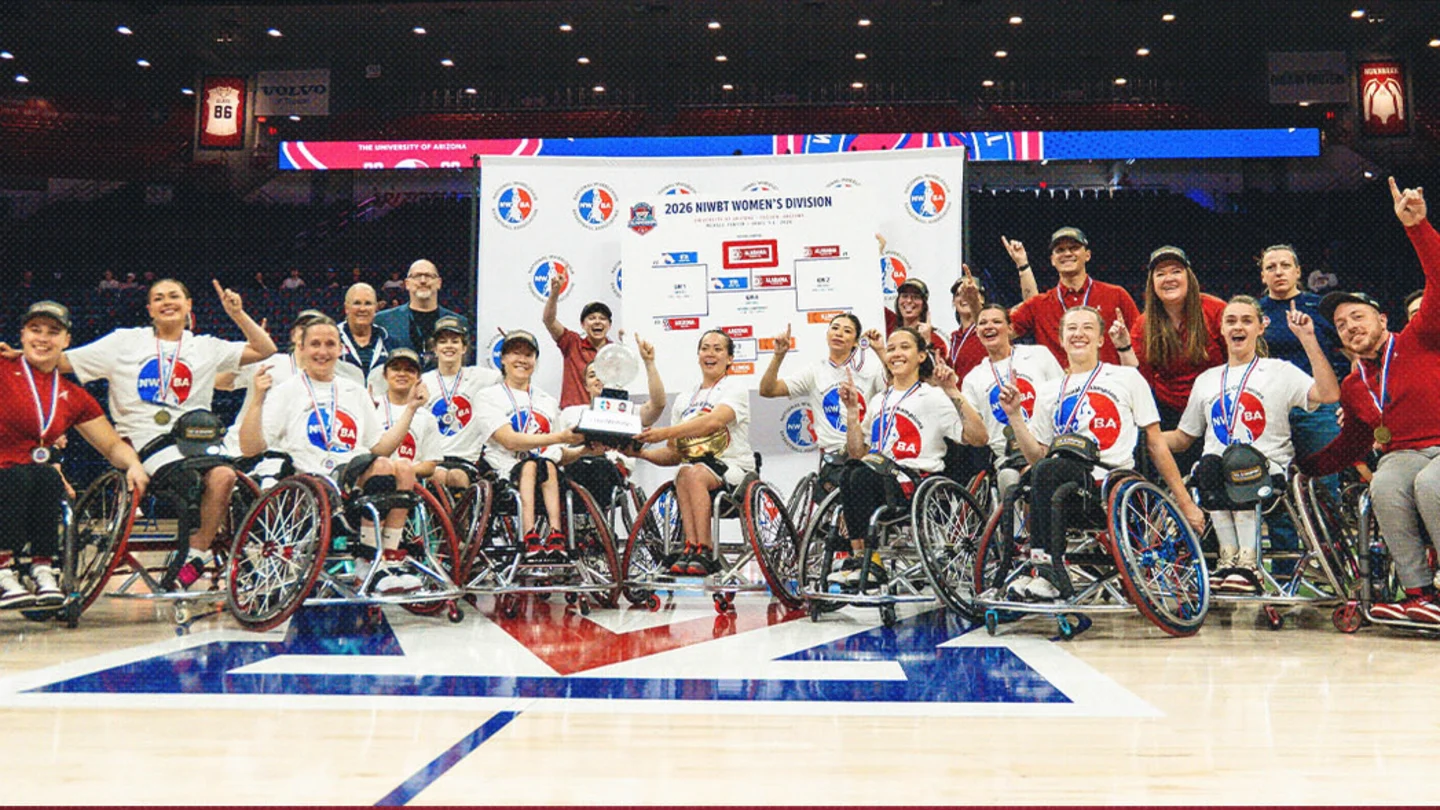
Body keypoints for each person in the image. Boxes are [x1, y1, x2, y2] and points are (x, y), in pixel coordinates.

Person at [60, 278, 276, 589]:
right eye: (158, 298)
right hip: (143, 443)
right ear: (149, 309)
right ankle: (192, 547)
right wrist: (18, 355)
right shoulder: (124, 342)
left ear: (189, 305)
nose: (167, 302)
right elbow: (65, 361)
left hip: (195, 442)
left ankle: (196, 553)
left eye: (174, 296)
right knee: (191, 479)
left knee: (226, 477)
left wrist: (237, 314)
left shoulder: (204, 346)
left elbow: (264, 348)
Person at [1299, 177, 1440, 624]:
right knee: (1384, 483)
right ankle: (1418, 593)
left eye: (1357, 316)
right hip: (1402, 454)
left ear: (1382, 319)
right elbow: (1354, 443)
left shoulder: (1421, 338)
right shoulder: (1355, 386)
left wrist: (1417, 227)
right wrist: (1307, 466)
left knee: (1430, 485)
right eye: (1341, 324)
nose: (1350, 326)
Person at [1000, 306, 1204, 601]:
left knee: (1048, 472)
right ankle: (1037, 569)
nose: (1078, 333)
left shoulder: (1127, 378)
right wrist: (1016, 417)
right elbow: (1038, 458)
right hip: (1062, 482)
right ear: (1060, 338)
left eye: (1087, 328)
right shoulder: (1048, 391)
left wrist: (1185, 502)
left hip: (1110, 485)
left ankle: (1048, 574)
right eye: (1071, 328)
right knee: (1032, 474)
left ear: (1099, 339)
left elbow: (1157, 444)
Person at [238, 316, 429, 594]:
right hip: (312, 484)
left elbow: (379, 446)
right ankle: (368, 563)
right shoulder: (285, 391)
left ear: (340, 350)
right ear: (300, 348)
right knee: (384, 466)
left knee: (405, 469)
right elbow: (250, 448)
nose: (323, 351)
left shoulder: (355, 391)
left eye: (330, 344)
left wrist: (410, 409)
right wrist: (257, 398)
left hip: (353, 477)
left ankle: (387, 559)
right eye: (315, 344)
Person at [1164, 296, 1339, 593]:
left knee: (1238, 463)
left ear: (1261, 326)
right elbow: (1183, 438)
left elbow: (1328, 393)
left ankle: (1250, 564)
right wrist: (1144, 434)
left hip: (1265, 471)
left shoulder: (1280, 371)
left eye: (1247, 320)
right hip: (1215, 473)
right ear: (1220, 329)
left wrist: (1308, 340)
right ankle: (1229, 559)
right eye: (1231, 321)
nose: (1238, 326)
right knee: (1207, 465)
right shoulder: (1207, 379)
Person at [0, 302, 148, 609]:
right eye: (34, 330)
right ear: (22, 335)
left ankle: (43, 568)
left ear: (67, 341)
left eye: (53, 332)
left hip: (32, 474)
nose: (43, 338)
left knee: (45, 477)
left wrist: (134, 464)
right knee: (19, 477)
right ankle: (2, 569)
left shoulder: (72, 394)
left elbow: (110, 445)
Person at [832, 327, 987, 587]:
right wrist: (850, 413)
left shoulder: (934, 396)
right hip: (875, 476)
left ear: (921, 356)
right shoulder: (878, 400)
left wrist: (952, 391)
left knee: (858, 473)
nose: (896, 353)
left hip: (915, 482)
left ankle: (870, 563)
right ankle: (863, 559)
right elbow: (858, 453)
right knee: (850, 469)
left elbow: (978, 438)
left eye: (904, 347)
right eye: (891, 348)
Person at [631, 330, 756, 576]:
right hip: (695, 473)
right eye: (705, 348)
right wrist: (641, 453)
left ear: (730, 359)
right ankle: (691, 547)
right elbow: (674, 454)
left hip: (733, 468)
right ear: (698, 355)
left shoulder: (735, 388)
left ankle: (706, 549)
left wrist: (665, 431)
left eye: (718, 349)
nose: (710, 353)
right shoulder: (684, 399)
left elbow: (713, 422)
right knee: (684, 471)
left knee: (695, 472)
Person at [1120, 246, 1226, 476]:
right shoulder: (1143, 324)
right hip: (1172, 411)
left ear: (1189, 276)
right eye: (1160, 273)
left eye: (1175, 271)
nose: (1169, 279)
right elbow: (1141, 380)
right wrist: (1122, 347)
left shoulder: (1216, 310)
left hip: (1219, 406)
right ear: (1152, 283)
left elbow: (1237, 360)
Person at [471, 330, 576, 563]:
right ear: (503, 360)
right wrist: (558, 437)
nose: (522, 359)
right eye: (515, 353)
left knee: (545, 464)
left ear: (535, 361)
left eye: (528, 355)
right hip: (505, 471)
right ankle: (529, 535)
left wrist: (585, 448)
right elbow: (509, 440)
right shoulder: (488, 396)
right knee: (530, 465)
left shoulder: (547, 401)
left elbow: (557, 451)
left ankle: (556, 534)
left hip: (546, 473)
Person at [1256, 243, 1349, 499]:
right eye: (1271, 267)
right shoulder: (1254, 312)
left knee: (1324, 486)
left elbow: (1355, 353)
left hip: (1318, 406)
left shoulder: (1320, 307)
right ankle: (1283, 540)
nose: (1278, 272)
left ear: (1298, 271)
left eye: (1285, 266)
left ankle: (1330, 539)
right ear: (1263, 275)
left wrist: (1351, 400)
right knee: (1274, 489)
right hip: (1271, 409)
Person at [759, 313, 887, 498]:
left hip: (866, 452)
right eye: (835, 328)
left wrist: (881, 351)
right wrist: (779, 356)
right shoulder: (814, 371)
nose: (839, 333)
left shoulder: (870, 370)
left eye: (847, 331)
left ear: (856, 342)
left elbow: (895, 386)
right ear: (827, 334)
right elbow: (768, 390)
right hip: (834, 456)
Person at [960, 303, 1064, 500]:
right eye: (982, 323)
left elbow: (1061, 398)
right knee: (1009, 478)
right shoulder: (973, 378)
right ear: (977, 332)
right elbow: (975, 431)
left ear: (1010, 328)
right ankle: (1017, 531)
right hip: (1007, 456)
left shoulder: (1039, 355)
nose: (989, 326)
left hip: (1048, 448)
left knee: (1035, 475)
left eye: (996, 321)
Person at [557, 337, 668, 510]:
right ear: (586, 385)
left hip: (610, 470)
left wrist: (649, 363)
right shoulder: (570, 413)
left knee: (597, 467)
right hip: (575, 466)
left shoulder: (628, 410)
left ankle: (598, 530)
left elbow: (658, 405)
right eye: (593, 375)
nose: (600, 378)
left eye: (605, 372)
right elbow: (557, 448)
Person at [1008, 227, 1141, 368]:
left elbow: (1141, 342)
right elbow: (1001, 331)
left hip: (1108, 385)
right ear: (1052, 260)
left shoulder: (1116, 295)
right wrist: (1022, 264)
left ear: (1088, 255)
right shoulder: (1040, 304)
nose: (1067, 253)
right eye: (1060, 250)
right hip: (1058, 387)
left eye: (1074, 248)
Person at [420, 317, 501, 489]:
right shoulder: (422, 382)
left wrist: (510, 345)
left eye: (455, 341)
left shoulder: (483, 377)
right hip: (433, 458)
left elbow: (512, 376)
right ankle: (437, 517)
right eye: (442, 342)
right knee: (438, 475)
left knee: (456, 476)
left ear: (464, 348)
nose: (449, 346)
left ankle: (462, 517)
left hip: (467, 459)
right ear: (434, 349)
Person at [372, 259, 469, 371]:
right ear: (407, 284)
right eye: (417, 276)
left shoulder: (458, 322)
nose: (423, 281)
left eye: (429, 276)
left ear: (439, 283)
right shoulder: (383, 320)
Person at [541, 277, 613, 409]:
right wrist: (555, 292)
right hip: (573, 416)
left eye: (603, 318)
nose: (597, 322)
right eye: (591, 318)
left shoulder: (616, 352)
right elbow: (549, 320)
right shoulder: (572, 343)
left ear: (609, 325)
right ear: (582, 325)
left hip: (606, 416)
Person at [375, 349, 441, 480]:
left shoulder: (427, 417)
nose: (402, 374)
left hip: (412, 486)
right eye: (395, 369)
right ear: (385, 374)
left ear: (418, 378)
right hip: (374, 482)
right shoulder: (372, 407)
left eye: (409, 370)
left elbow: (430, 464)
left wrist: (401, 470)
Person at [338, 282, 390, 390]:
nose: (362, 309)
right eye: (357, 303)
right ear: (346, 308)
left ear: (376, 308)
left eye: (368, 303)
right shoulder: (331, 339)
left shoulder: (388, 341)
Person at [883, 278, 950, 358]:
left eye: (915, 297)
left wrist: (926, 342)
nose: (908, 301)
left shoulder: (936, 340)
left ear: (924, 304)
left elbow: (935, 368)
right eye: (904, 296)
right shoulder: (890, 324)